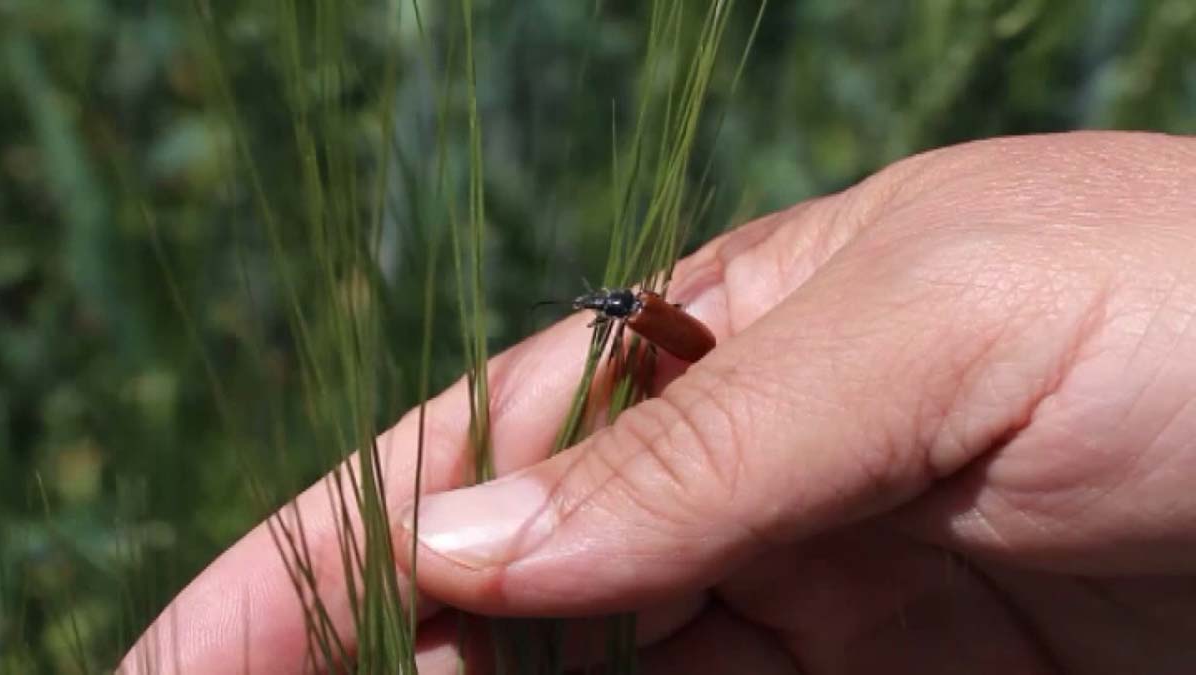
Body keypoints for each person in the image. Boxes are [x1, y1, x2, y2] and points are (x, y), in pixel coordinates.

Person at [121, 131, 1196, 674]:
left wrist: (616, 492)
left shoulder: (653, 321)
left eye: (608, 304)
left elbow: (680, 346)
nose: (604, 308)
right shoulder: (639, 316)